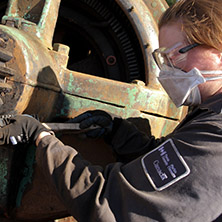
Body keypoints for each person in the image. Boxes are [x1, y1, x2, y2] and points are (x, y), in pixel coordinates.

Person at [1, 0, 222, 221]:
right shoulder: (208, 112)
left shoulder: (215, 136)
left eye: (176, 55)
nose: (168, 68)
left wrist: (41, 138)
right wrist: (118, 132)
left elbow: (111, 204)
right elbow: (165, 166)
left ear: (218, 53)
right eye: (163, 58)